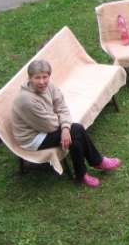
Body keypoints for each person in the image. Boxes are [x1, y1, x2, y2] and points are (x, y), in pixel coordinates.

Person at [11, 60, 120, 188]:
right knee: (76, 131)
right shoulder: (26, 100)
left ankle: (84, 172)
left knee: (74, 133)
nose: (42, 81)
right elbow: (49, 126)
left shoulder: (49, 86)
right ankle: (94, 163)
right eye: (37, 78)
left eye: (45, 77)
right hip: (33, 138)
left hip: (46, 124)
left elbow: (62, 106)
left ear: (49, 76)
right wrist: (66, 128)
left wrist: (65, 128)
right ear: (30, 78)